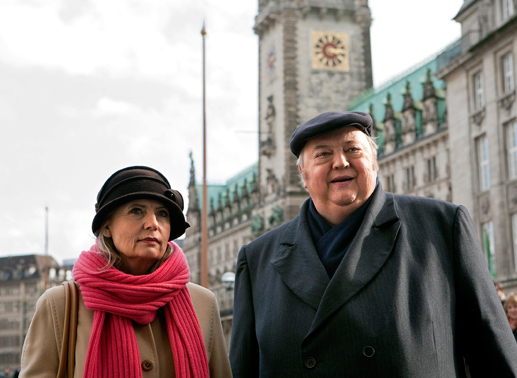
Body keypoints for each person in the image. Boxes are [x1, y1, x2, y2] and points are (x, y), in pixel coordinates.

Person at [229, 111, 517, 377]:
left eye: (353, 149)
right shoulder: (257, 260)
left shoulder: (442, 226)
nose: (340, 161)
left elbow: (494, 355)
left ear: (375, 163)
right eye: (323, 154)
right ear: (303, 176)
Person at [20, 166, 232, 378]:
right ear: (107, 227)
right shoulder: (60, 305)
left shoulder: (203, 303)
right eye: (136, 211)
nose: (153, 224)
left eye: (162, 213)